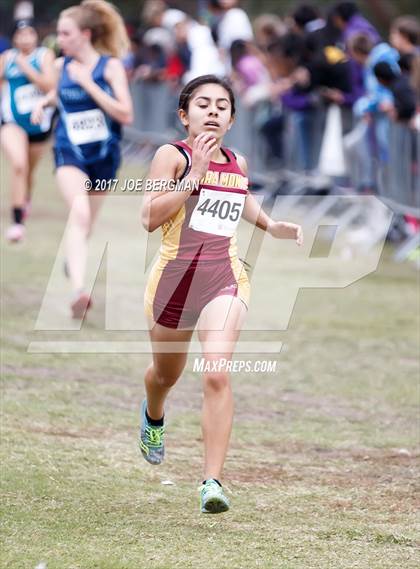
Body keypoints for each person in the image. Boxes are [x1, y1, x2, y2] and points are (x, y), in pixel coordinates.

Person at [139, 74, 303, 514]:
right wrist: (194, 174)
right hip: (174, 282)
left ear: (231, 119)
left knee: (216, 373)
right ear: (183, 114)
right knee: (165, 376)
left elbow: (241, 196)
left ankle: (212, 481)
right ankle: (153, 413)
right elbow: (149, 217)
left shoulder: (238, 162)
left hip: (224, 278)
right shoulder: (170, 156)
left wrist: (271, 225)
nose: (212, 111)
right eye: (202, 104)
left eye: (222, 106)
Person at [31, 0, 133, 319]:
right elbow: (58, 93)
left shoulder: (110, 67)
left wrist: (89, 84)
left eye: (65, 33)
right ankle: (78, 290)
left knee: (86, 223)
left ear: (85, 34)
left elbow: (125, 113)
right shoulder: (62, 67)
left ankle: (71, 261)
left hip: (104, 156)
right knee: (80, 214)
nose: (59, 40)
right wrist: (44, 104)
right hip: (69, 151)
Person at [0, 19, 55, 242]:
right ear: (14, 38)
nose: (25, 38)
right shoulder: (6, 58)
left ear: (36, 35)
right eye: (20, 34)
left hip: (39, 125)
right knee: (19, 166)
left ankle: (25, 198)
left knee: (28, 172)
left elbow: (49, 86)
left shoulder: (44, 56)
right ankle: (17, 223)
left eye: (29, 33)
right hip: (12, 122)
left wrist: (25, 67)